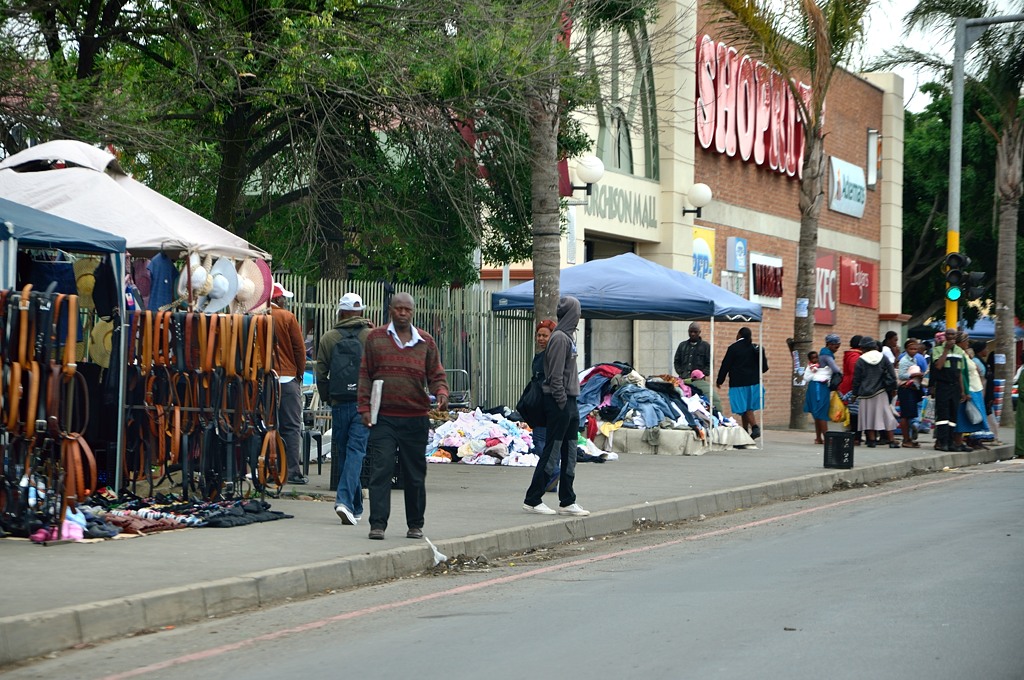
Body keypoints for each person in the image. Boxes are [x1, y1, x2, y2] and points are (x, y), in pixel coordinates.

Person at [359, 293, 448, 540]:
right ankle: (377, 524)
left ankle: (415, 524)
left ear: (412, 311)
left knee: (414, 474)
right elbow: (365, 374)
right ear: (390, 310)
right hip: (384, 416)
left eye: (407, 309)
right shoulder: (375, 339)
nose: (402, 313)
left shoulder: (426, 342)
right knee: (381, 470)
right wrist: (364, 408)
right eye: (398, 308)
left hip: (415, 417)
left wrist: (441, 392)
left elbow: (436, 374)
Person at [523, 296, 589, 517]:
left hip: (569, 402)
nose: (579, 317)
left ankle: (567, 500)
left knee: (570, 452)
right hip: (560, 402)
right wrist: (561, 402)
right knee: (552, 452)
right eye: (577, 312)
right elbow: (556, 376)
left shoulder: (567, 337)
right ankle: (533, 498)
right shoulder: (560, 339)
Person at [317, 292, 373, 526]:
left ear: (340, 312)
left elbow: (321, 373)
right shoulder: (371, 336)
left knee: (345, 452)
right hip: (364, 405)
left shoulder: (328, 338)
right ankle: (346, 502)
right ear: (360, 312)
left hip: (339, 403)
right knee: (356, 452)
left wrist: (328, 398)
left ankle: (352, 504)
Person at [269, 281, 309, 485]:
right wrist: (299, 373)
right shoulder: (287, 317)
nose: (285, 301)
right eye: (283, 297)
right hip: (286, 378)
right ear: (277, 298)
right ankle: (292, 470)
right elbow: (299, 350)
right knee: (291, 426)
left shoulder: (257, 317)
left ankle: (269, 468)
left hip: (264, 379)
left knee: (268, 425)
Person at [716, 326, 768, 440]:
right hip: (754, 383)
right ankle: (745, 432)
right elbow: (764, 368)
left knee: (745, 408)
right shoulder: (755, 348)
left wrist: (720, 380)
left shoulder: (733, 348)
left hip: (738, 384)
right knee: (747, 407)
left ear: (739, 335)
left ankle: (754, 427)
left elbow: (725, 365)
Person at [851, 335, 899, 448]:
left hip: (865, 394)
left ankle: (871, 440)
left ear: (863, 348)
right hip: (880, 392)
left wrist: (854, 394)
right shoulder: (883, 358)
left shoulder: (860, 360)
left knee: (869, 417)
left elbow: (857, 379)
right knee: (886, 416)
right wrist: (894, 389)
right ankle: (891, 441)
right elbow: (892, 375)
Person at [529, 320, 560, 494]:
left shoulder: (550, 356)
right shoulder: (542, 355)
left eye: (544, 335)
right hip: (544, 403)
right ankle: (551, 479)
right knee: (550, 442)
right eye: (539, 335)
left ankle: (554, 471)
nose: (541, 338)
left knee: (540, 441)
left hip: (545, 404)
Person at [928, 327, 969, 452]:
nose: (951, 337)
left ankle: (951, 442)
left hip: (955, 387)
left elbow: (960, 373)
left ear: (956, 337)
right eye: (948, 335)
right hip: (943, 386)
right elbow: (938, 366)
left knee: (952, 416)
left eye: (953, 335)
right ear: (945, 336)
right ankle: (942, 441)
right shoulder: (937, 350)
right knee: (942, 416)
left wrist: (962, 391)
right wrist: (945, 350)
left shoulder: (959, 352)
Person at [804, 334, 841, 444]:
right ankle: (827, 438)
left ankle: (819, 438)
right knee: (821, 412)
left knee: (818, 413)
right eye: (836, 345)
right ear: (829, 344)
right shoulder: (826, 356)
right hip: (819, 387)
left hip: (815, 386)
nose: (837, 347)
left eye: (838, 345)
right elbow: (836, 369)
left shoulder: (823, 354)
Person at [954, 334, 987, 448]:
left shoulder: (966, 354)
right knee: (963, 416)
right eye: (966, 341)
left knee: (971, 416)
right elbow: (962, 374)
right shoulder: (959, 354)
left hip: (976, 388)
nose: (968, 343)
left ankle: (964, 440)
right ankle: (958, 441)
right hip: (970, 389)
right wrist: (965, 391)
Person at [839, 335, 863, 444]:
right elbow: (855, 374)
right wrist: (856, 389)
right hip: (852, 387)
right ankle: (855, 436)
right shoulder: (855, 356)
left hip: (848, 385)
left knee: (854, 413)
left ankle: (854, 435)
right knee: (855, 413)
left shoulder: (851, 355)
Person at [897, 365, 924, 447]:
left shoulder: (914, 360)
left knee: (908, 415)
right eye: (911, 350)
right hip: (906, 389)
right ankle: (906, 440)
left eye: (914, 350)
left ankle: (908, 438)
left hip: (912, 389)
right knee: (905, 415)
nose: (913, 351)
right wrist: (915, 375)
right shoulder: (904, 361)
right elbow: (901, 376)